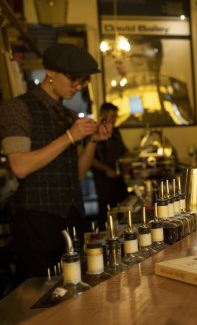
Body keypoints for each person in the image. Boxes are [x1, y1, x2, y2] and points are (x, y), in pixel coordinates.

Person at [0, 43, 112, 282]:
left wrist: (92, 141)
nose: (78, 87)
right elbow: (20, 167)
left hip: (71, 218)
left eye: (82, 82)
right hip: (36, 220)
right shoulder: (17, 109)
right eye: (74, 80)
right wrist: (70, 137)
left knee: (73, 290)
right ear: (50, 72)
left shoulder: (68, 115)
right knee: (39, 297)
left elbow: (79, 173)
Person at [90, 102, 130, 229]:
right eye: (112, 116)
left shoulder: (116, 132)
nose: (114, 119)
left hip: (119, 178)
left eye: (115, 117)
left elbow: (125, 151)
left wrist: (134, 157)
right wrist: (106, 170)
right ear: (102, 114)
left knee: (123, 209)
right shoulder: (93, 132)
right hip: (104, 181)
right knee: (106, 213)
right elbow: (90, 160)